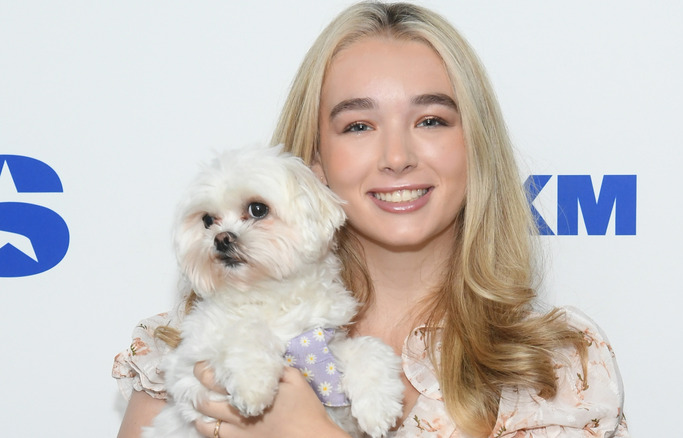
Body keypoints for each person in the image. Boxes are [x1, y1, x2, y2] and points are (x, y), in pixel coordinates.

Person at [113, 2, 629, 437]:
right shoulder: (183, 352)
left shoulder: (556, 368)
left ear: (475, 149)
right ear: (312, 164)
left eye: (430, 120)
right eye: (358, 125)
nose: (397, 155)